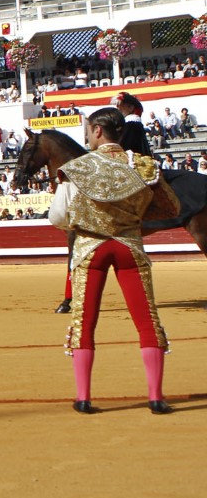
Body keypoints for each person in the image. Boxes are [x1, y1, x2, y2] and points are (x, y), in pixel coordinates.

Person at [48, 107, 178, 415]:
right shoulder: (142, 166)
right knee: (147, 320)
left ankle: (83, 398)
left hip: (89, 248)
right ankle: (156, 398)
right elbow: (170, 207)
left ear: (97, 131)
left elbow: (57, 217)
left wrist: (82, 223)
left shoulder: (77, 167)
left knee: (84, 322)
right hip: (129, 245)